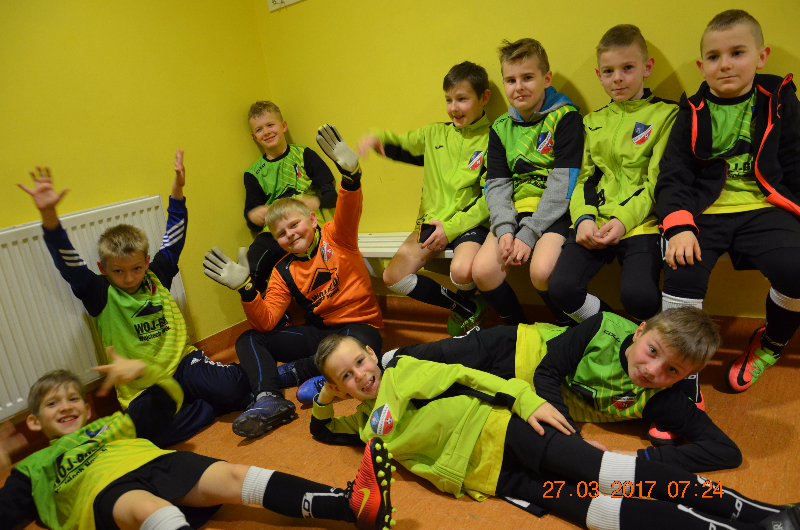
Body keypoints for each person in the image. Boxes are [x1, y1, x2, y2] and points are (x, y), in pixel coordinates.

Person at [307, 333, 799, 530]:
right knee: (594, 509)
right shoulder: (364, 426)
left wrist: (528, 401)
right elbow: (323, 429)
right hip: (490, 478)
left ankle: (764, 513)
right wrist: (326, 398)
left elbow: (472, 378)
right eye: (345, 376)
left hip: (504, 431)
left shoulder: (403, 372)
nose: (360, 376)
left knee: (611, 473)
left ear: (372, 355)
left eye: (360, 362)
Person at [18, 151, 250, 448]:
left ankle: (204, 399)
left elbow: (174, 236)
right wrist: (49, 216)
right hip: (144, 388)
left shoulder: (156, 275)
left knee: (235, 388)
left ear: (147, 262)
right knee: (147, 435)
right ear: (103, 268)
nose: (129, 278)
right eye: (118, 271)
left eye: (136, 269)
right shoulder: (99, 291)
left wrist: (177, 190)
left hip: (183, 364)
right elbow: (67, 262)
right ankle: (205, 407)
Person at [0, 358, 395, 530]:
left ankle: (351, 505)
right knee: (148, 509)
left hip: (155, 463)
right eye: (52, 404)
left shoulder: (111, 425)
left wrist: (145, 372)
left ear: (88, 409)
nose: (66, 407)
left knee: (236, 475)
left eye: (73, 399)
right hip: (102, 491)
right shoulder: (34, 466)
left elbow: (168, 397)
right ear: (33, 421)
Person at [204, 125, 383, 438]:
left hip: (360, 327)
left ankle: (304, 374)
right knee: (249, 339)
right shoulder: (282, 269)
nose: (290, 235)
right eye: (281, 234)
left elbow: (348, 208)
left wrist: (350, 177)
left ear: (312, 220)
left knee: (353, 347)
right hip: (322, 333)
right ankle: (269, 398)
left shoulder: (336, 236)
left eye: (294, 225)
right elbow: (266, 321)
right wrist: (246, 288)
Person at [655, 9, 800, 393]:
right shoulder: (692, 111)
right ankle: (682, 380)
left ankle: (770, 343)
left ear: (761, 57)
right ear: (702, 67)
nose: (725, 64)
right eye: (714, 57)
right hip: (705, 212)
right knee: (681, 271)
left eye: (737, 53)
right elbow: (673, 176)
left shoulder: (778, 98)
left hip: (765, 206)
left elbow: (795, 161)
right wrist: (679, 225)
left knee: (796, 269)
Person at [550, 24, 678, 324]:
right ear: (599, 75)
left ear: (647, 68)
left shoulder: (667, 115)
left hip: (640, 224)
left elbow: (657, 182)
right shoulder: (591, 121)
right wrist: (584, 218)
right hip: (595, 221)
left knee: (639, 297)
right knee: (562, 289)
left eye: (627, 68)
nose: (617, 78)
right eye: (608, 71)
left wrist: (623, 220)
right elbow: (582, 178)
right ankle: (617, 331)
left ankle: (645, 332)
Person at [357, 61, 492, 336]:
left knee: (462, 271)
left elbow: (490, 199)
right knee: (392, 276)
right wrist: (376, 137)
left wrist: (451, 228)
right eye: (448, 100)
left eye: (462, 99)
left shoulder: (494, 139)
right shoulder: (434, 133)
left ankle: (475, 309)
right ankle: (466, 308)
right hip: (431, 222)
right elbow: (402, 141)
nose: (454, 107)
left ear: (484, 97)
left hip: (469, 224)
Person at [471, 38, 583, 327]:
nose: (518, 87)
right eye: (511, 80)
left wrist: (529, 233)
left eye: (527, 78)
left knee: (541, 272)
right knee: (483, 272)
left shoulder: (566, 117)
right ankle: (518, 330)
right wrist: (504, 228)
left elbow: (563, 183)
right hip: (514, 212)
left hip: (553, 212)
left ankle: (568, 330)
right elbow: (497, 185)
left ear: (546, 79)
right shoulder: (500, 128)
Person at [244, 101, 338, 293]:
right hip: (274, 233)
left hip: (307, 228)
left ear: (283, 126)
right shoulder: (253, 174)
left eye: (270, 125)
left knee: (312, 274)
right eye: (259, 129)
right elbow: (252, 221)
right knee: (248, 271)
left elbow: (332, 195)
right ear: (254, 137)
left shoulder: (304, 155)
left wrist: (316, 201)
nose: (266, 132)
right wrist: (253, 216)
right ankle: (272, 310)